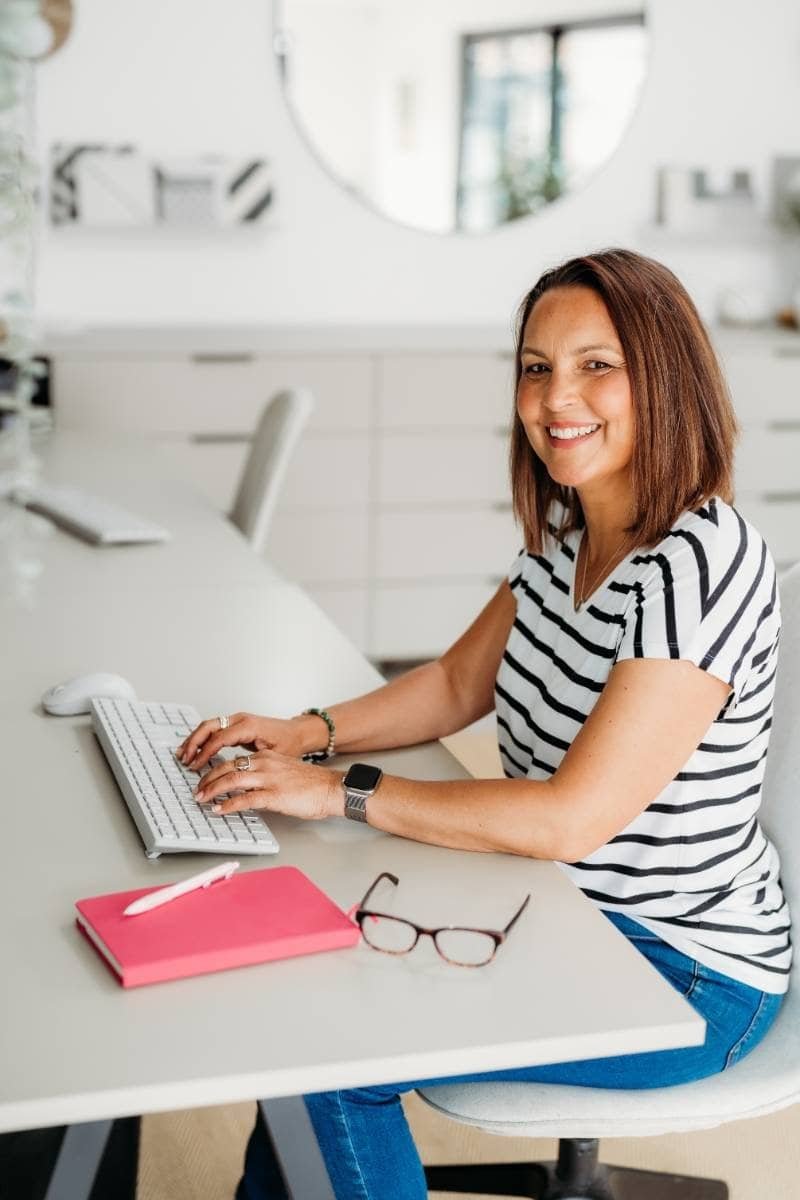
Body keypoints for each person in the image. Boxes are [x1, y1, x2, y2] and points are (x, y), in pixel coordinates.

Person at [177, 249, 790, 1200]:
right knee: (302, 1005)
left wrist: (343, 794)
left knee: (332, 1060)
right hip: (564, 910)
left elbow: (570, 818)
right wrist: (309, 731)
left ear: (665, 380)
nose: (555, 398)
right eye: (536, 367)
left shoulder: (697, 562)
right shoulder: (567, 528)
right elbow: (462, 681)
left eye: (597, 365)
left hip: (685, 968)